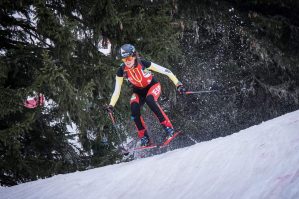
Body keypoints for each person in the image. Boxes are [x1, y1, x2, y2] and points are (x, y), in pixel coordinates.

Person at [107, 44, 186, 146]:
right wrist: (111, 105)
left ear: (134, 56)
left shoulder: (143, 63)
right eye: (124, 59)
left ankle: (169, 128)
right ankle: (145, 138)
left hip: (152, 86)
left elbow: (166, 71)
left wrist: (178, 84)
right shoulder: (121, 71)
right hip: (138, 91)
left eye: (129, 58)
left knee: (150, 100)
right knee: (134, 107)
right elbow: (116, 90)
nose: (127, 61)